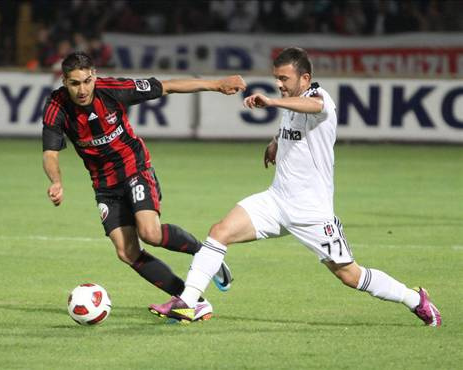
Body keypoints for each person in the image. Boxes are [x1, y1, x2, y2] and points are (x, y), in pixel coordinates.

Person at [149, 47, 442, 326]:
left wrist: (273, 102)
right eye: (276, 78)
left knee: (350, 275)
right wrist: (276, 142)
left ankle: (414, 298)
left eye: (284, 79)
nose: (279, 84)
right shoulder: (292, 101)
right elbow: (293, 122)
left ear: (304, 78)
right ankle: (189, 302)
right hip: (276, 201)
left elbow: (313, 106)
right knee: (219, 231)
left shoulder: (320, 98)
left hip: (311, 212)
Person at [42, 52, 245, 321]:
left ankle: (205, 254)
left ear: (95, 76)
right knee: (126, 252)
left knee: (150, 233)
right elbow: (50, 153)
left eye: (87, 81)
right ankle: (190, 301)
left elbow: (168, 86)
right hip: (104, 185)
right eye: (75, 83)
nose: (82, 89)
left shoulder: (114, 90)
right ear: (64, 82)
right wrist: (56, 181)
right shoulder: (57, 105)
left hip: (134, 168)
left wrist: (217, 85)